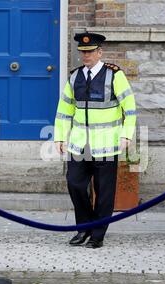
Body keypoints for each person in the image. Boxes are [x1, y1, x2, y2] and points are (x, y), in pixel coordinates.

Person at [54, 32, 137, 248]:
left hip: (107, 144)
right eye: (83, 52)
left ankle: (98, 234)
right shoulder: (74, 77)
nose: (86, 55)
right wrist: (60, 137)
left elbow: (129, 108)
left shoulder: (114, 75)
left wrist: (127, 134)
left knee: (104, 192)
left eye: (90, 51)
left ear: (100, 52)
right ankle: (84, 228)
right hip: (80, 145)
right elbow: (64, 110)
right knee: (75, 184)